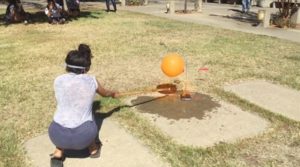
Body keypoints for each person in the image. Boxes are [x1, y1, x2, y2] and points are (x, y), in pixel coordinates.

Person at [48, 44, 118, 167]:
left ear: (66, 66)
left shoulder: (58, 80)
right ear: (86, 68)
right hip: (83, 137)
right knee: (90, 116)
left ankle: (58, 152)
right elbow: (105, 93)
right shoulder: (92, 81)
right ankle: (93, 149)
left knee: (65, 115)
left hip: (56, 135)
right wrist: (112, 93)